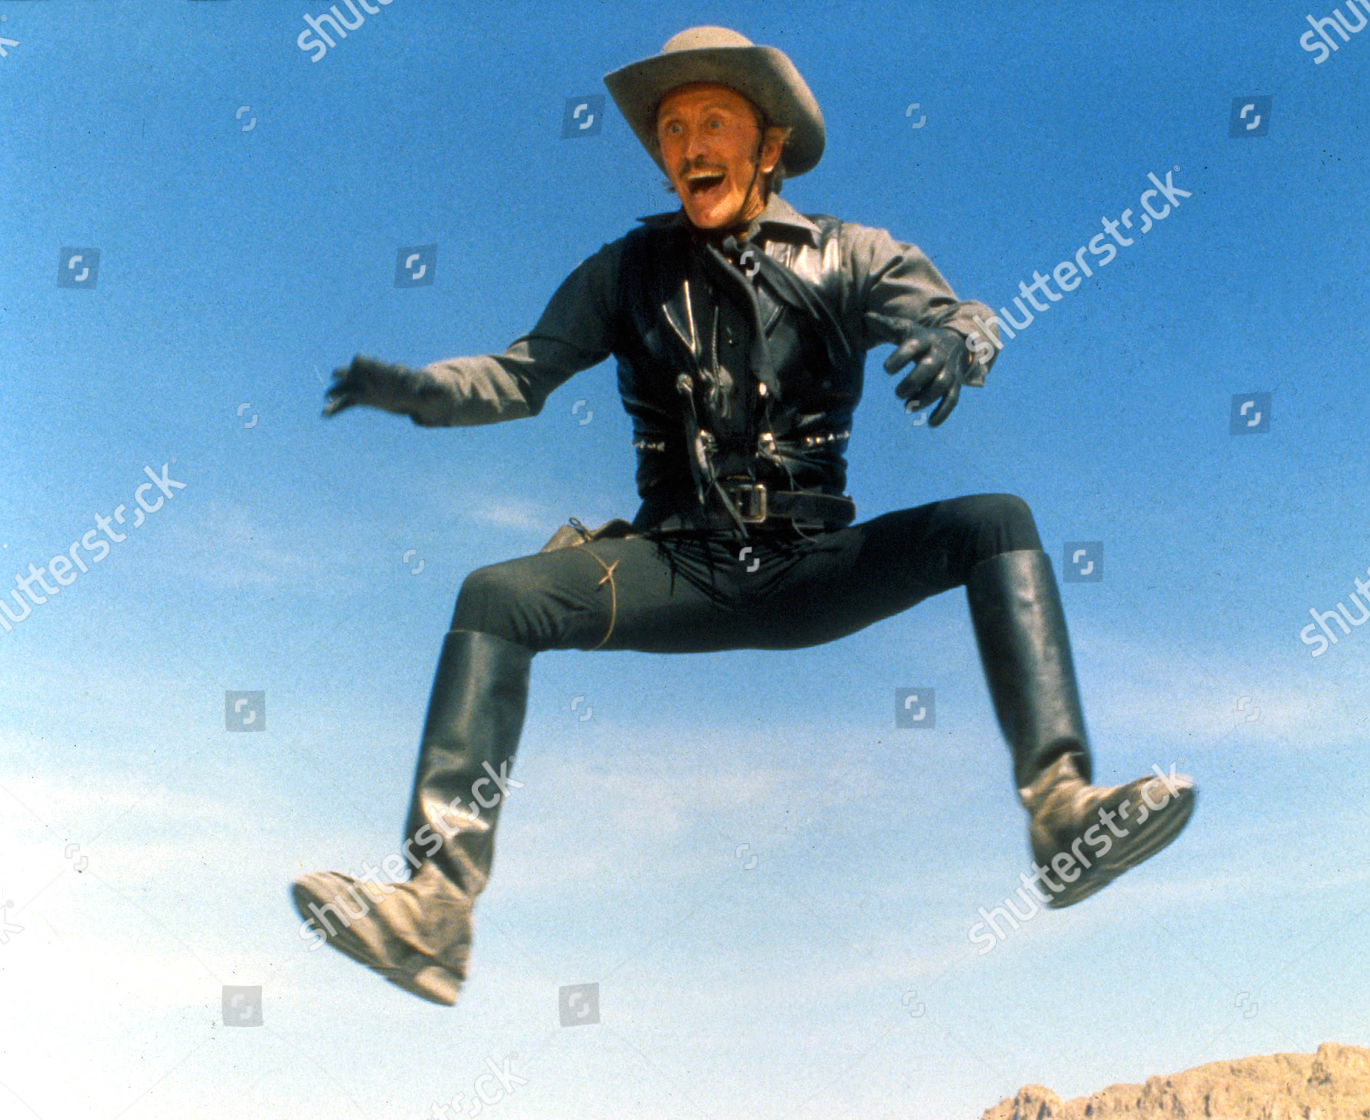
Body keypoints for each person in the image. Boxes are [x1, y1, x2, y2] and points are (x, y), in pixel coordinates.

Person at [291, 25, 1196, 1006]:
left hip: (812, 565)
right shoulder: (623, 271)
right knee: (495, 596)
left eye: (712, 121)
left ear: (769, 145)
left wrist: (959, 343)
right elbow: (519, 375)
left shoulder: (851, 255)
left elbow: (963, 315)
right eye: (672, 129)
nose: (689, 144)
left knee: (996, 520)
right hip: (675, 565)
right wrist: (419, 390)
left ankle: (1061, 814)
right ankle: (435, 911)